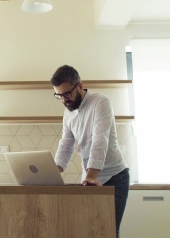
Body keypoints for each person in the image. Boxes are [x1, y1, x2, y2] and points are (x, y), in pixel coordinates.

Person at [52, 64, 130, 237]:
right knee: (90, 230)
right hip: (90, 179)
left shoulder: (100, 102)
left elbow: (99, 140)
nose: (64, 100)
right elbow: (65, 145)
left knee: (107, 231)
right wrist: (52, 174)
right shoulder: (68, 113)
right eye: (59, 95)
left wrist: (90, 177)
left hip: (115, 177)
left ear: (79, 85)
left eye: (67, 94)